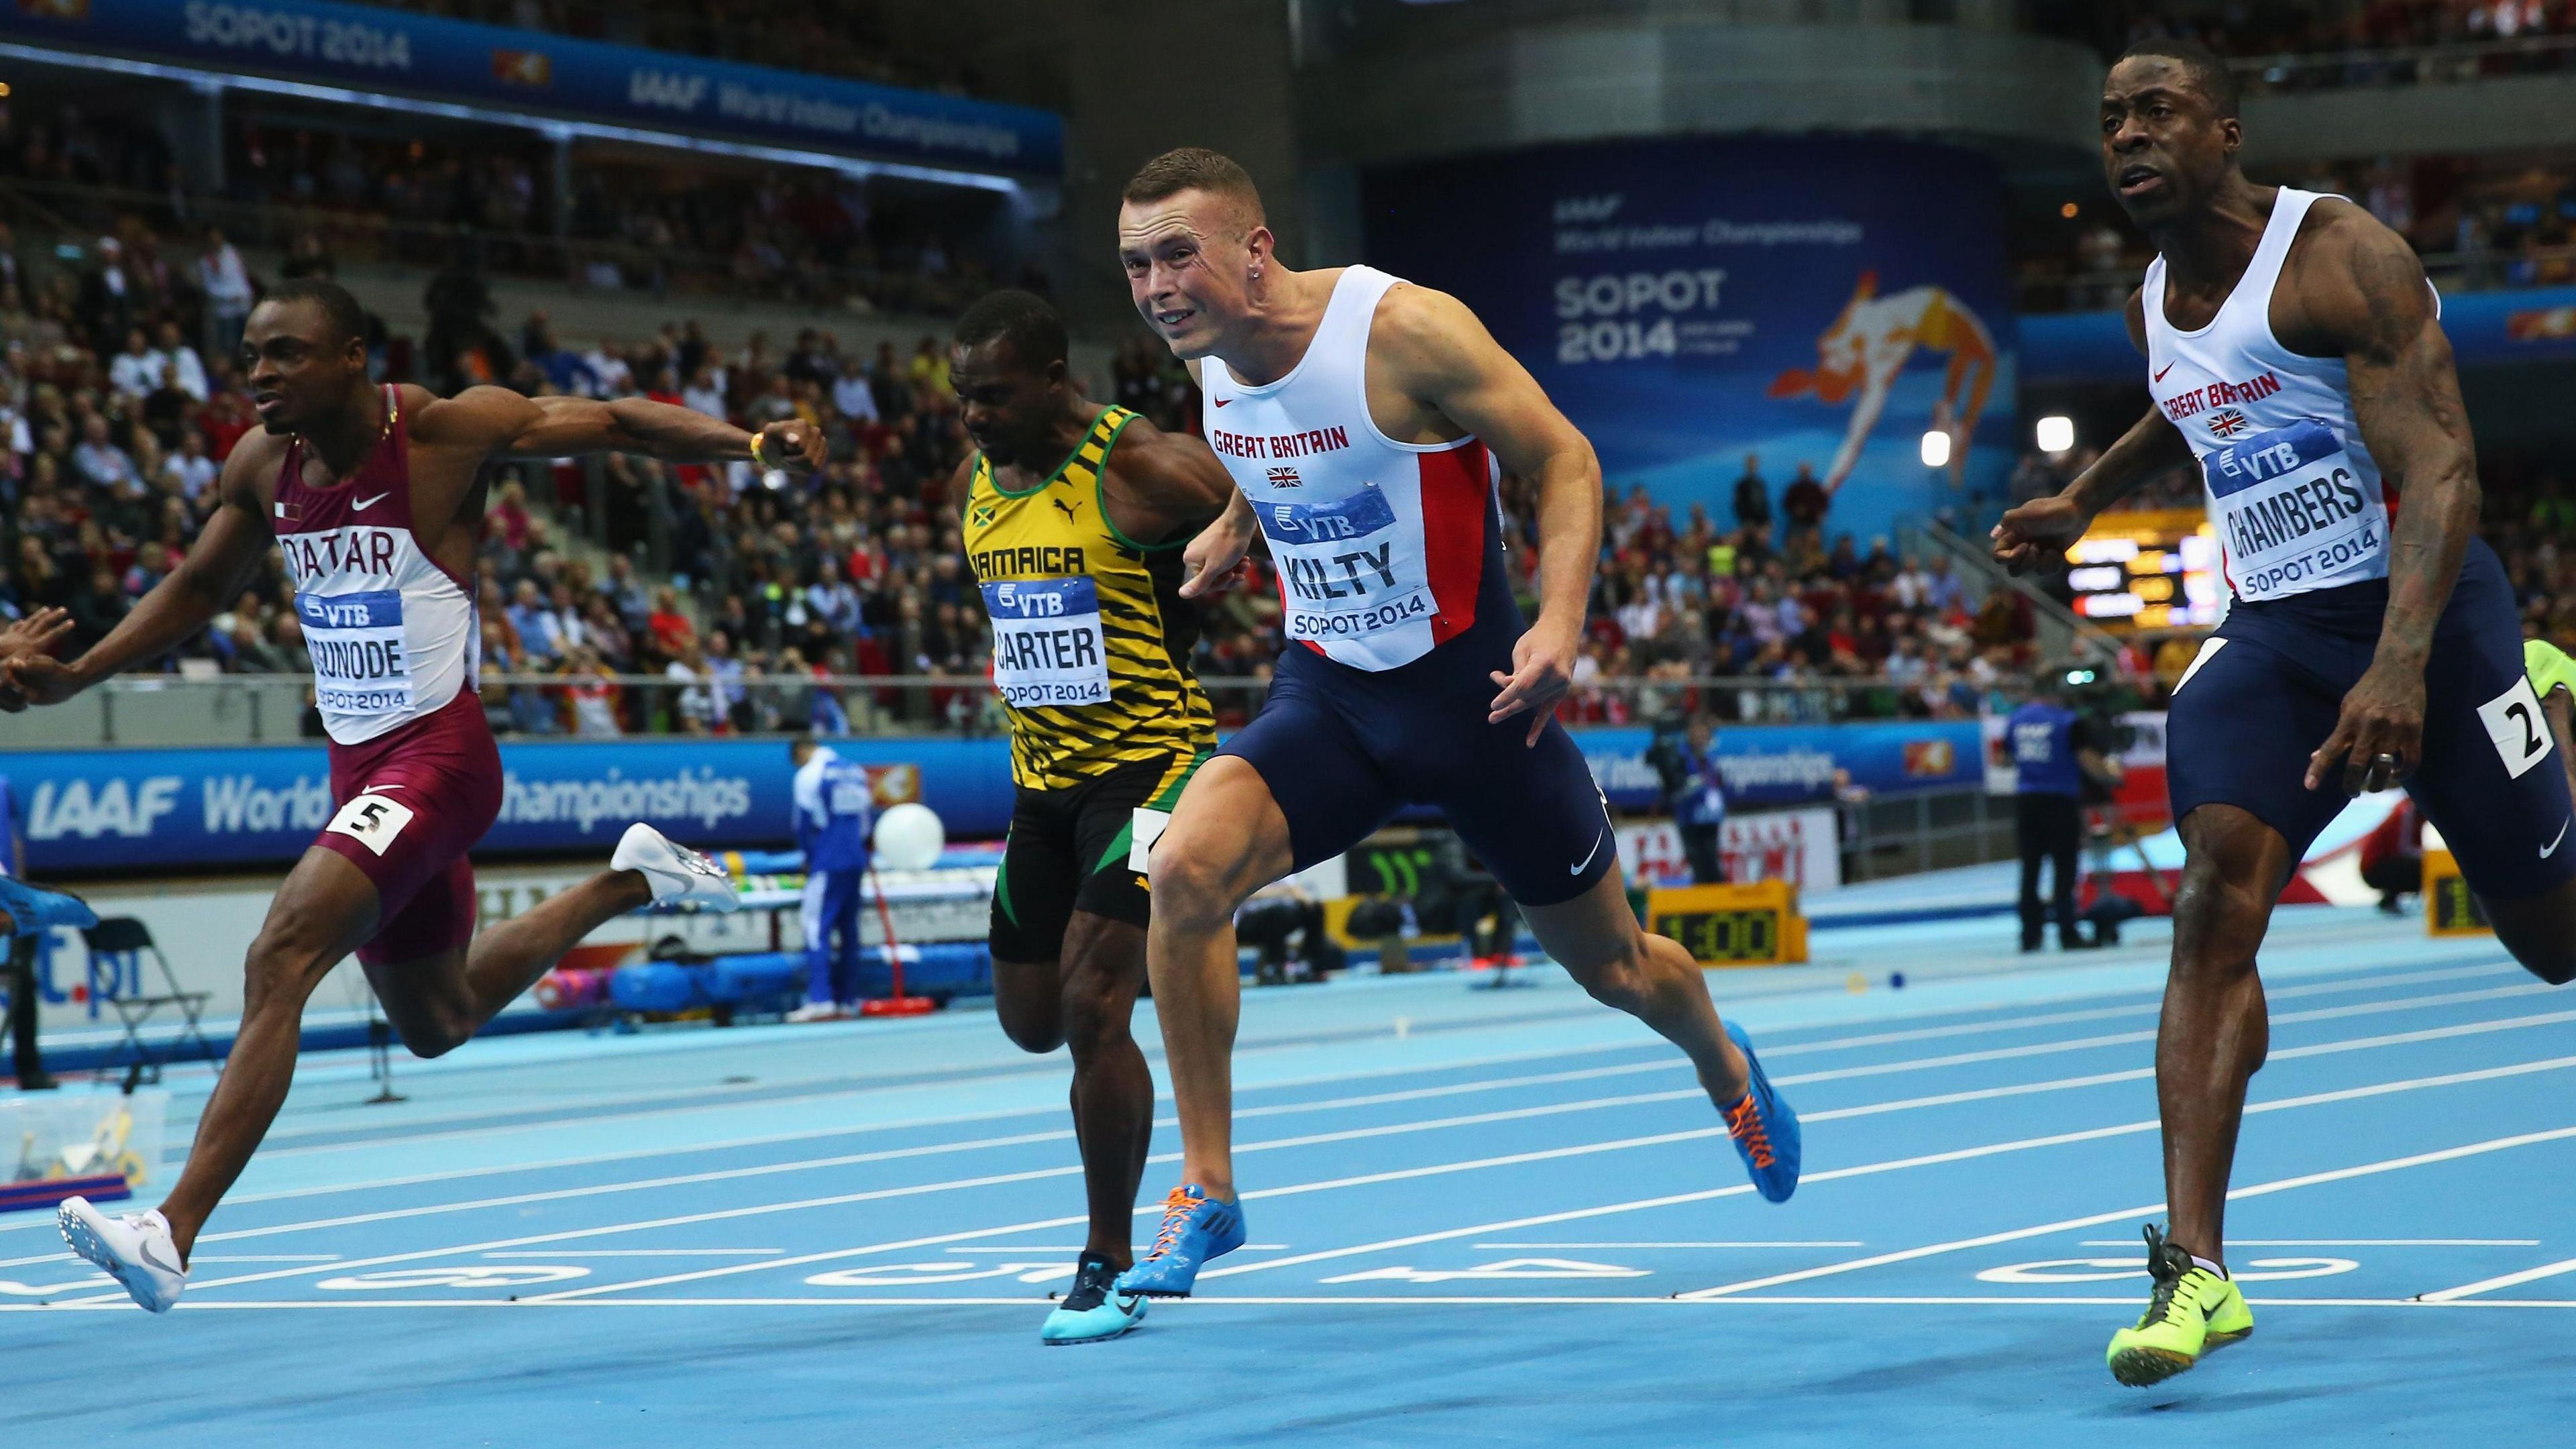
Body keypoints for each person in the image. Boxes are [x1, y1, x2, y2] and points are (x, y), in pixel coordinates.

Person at [2, 278, 824, 1314]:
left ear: (352, 355)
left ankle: (172, 1229)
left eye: (287, 353)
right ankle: (629, 879)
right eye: (251, 354)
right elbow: (200, 591)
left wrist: (750, 445)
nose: (260, 373)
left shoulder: (439, 431)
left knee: (281, 953)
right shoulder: (261, 467)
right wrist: (80, 678)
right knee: (440, 1018)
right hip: (359, 767)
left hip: (438, 756)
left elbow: (615, 424)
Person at [1110, 148, 1801, 1301]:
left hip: (1481, 704)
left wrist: (1562, 627)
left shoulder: (1405, 330)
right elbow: (1277, 445)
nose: (1156, 285)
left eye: (1178, 253)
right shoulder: (1211, 355)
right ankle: (1208, 1190)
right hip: (1330, 697)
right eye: (1135, 264)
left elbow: (1563, 456)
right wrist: (1239, 525)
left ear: (1256, 249)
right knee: (1182, 871)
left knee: (1621, 971)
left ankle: (1728, 1068)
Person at [1992, 40, 2576, 1388]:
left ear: (2228, 132)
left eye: (2156, 113)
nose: (2126, 137)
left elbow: (2441, 473)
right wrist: (2087, 496)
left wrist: (2401, 664)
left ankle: (2545, 692)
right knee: (2214, 900)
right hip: (2270, 636)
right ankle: (2195, 1271)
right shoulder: (2151, 296)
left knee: (2554, 947)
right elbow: (2189, 394)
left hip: (2434, 615)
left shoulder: (2341, 256)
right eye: (2109, 121)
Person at [945, 287, 1239, 1342]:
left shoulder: (1143, 465)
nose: (975, 417)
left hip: (1158, 772)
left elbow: (1269, 506)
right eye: (962, 398)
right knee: (1031, 1023)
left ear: (1056, 379)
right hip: (1045, 787)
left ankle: (1107, 1258)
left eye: (993, 396)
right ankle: (1173, 1000)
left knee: (1091, 1010)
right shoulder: (978, 480)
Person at [2005, 681, 2116, 952]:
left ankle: (2030, 936)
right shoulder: (2067, 721)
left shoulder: (2016, 720)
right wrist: (2109, 777)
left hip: (2027, 799)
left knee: (2030, 868)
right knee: (2064, 868)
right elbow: (2086, 758)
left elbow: (2005, 757)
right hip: (2060, 799)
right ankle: (2068, 931)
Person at [788, 738, 872, 1022]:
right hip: (855, 858)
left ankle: (821, 999)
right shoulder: (855, 771)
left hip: (828, 859)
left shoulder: (809, 774)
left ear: (801, 753)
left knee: (815, 928)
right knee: (849, 930)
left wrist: (809, 856)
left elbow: (802, 821)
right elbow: (864, 820)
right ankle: (847, 1000)